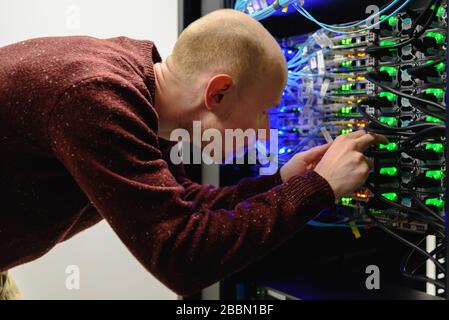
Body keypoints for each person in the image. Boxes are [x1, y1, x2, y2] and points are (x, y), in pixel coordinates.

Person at [0, 9, 386, 298]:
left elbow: (187, 203)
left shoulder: (140, 88)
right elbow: (182, 258)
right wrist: (319, 188)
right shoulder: (97, 97)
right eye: (265, 111)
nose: (268, 130)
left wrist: (284, 181)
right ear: (217, 93)